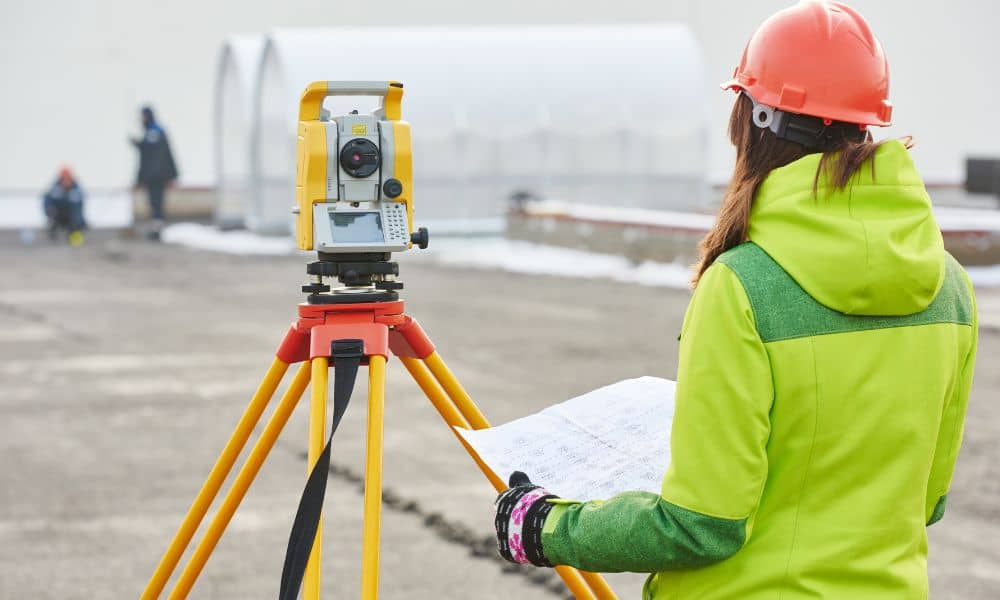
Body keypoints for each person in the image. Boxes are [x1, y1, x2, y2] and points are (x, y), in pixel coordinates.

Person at [491, 2, 978, 598]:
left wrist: (546, 526)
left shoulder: (743, 287)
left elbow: (702, 527)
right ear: (864, 123)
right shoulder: (949, 287)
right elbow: (925, 500)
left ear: (757, 117)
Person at [131, 105, 178, 238]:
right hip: (154, 175)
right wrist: (139, 145)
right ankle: (156, 227)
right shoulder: (152, 132)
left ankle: (158, 229)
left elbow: (154, 155)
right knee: (153, 202)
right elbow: (147, 151)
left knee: (156, 202)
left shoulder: (155, 132)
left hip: (156, 176)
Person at [42, 166, 87, 245]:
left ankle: (73, 236)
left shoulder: (76, 190)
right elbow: (47, 200)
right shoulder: (55, 189)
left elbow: (80, 206)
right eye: (64, 178)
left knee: (76, 221)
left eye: (67, 178)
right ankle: (53, 238)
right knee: (52, 219)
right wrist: (48, 210)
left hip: (71, 217)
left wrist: (80, 221)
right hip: (58, 216)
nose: (66, 181)